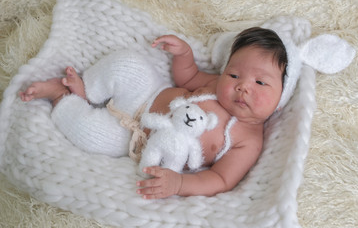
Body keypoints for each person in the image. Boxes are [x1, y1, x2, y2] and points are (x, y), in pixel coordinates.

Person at [19, 27, 287, 199]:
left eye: (261, 82)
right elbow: (188, 76)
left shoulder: (249, 140)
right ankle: (86, 88)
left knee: (93, 135)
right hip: (148, 94)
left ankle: (61, 98)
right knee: (128, 63)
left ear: (280, 100)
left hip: (134, 140)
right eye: (235, 74)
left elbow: (221, 179)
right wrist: (184, 54)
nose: (242, 86)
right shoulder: (216, 85)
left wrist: (180, 184)